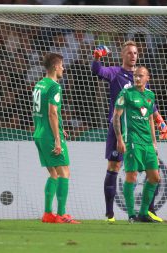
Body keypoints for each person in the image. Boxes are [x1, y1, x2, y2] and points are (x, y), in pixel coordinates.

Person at [91, 41, 166, 222]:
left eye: (135, 53)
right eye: (129, 53)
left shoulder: (141, 78)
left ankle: (148, 211)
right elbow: (97, 71)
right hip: (119, 129)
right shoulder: (115, 73)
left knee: (151, 170)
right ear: (123, 55)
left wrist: (161, 122)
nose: (133, 56)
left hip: (140, 132)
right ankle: (110, 213)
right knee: (114, 166)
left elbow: (150, 106)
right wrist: (96, 58)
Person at [34, 53, 80, 224]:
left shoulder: (39, 84)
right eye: (61, 65)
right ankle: (61, 215)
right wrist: (57, 139)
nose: (63, 68)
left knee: (53, 173)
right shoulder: (54, 86)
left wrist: (60, 128)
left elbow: (42, 113)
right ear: (55, 67)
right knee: (64, 172)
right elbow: (52, 112)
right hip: (50, 136)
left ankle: (48, 214)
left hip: (39, 134)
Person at [113, 66, 160, 223]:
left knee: (154, 177)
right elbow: (116, 116)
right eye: (135, 75)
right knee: (131, 176)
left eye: (141, 76)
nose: (137, 78)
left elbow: (150, 119)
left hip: (147, 143)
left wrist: (154, 141)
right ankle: (131, 215)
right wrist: (120, 139)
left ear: (148, 78)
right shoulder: (125, 93)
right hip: (132, 141)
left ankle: (143, 213)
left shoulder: (150, 96)